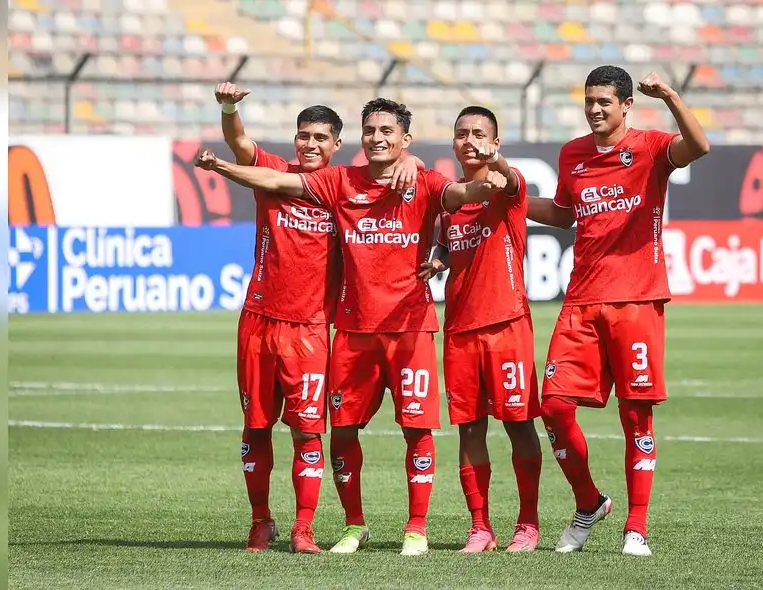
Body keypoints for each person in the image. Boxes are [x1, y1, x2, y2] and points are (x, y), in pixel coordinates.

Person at [195, 97, 506, 556]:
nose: (377, 138)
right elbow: (269, 172)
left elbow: (458, 195)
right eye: (371, 131)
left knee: (405, 430)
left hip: (386, 328)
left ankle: (409, 529)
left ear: (402, 139)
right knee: (319, 429)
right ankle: (332, 524)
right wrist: (221, 162)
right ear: (357, 140)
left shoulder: (415, 178)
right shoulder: (336, 182)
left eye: (386, 132)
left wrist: (484, 183)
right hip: (334, 328)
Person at [213, 83, 419, 554]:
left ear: (336, 145)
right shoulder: (274, 172)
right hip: (259, 321)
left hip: (310, 329)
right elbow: (239, 144)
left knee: (309, 430)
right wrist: (228, 107)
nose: (310, 145)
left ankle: (304, 527)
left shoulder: (344, 185)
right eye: (303, 136)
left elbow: (400, 167)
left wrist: (414, 159)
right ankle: (261, 521)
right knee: (256, 428)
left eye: (320, 138)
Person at [526, 66, 710, 556]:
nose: (594, 109)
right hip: (582, 300)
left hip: (637, 300)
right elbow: (565, 215)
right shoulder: (572, 154)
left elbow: (699, 146)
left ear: (627, 104)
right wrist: (515, 199)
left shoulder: (651, 147)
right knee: (553, 406)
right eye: (589, 101)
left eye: (604, 101)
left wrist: (670, 94)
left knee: (636, 416)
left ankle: (636, 526)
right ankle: (589, 502)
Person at [417, 106, 542, 553]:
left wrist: (500, 163)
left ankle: (528, 524)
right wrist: (438, 259)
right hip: (460, 330)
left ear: (495, 140)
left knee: (519, 424)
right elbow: (447, 243)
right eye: (462, 134)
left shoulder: (508, 190)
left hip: (507, 324)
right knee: (469, 428)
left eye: (479, 134)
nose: (470, 140)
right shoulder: (451, 201)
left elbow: (510, 181)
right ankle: (480, 526)